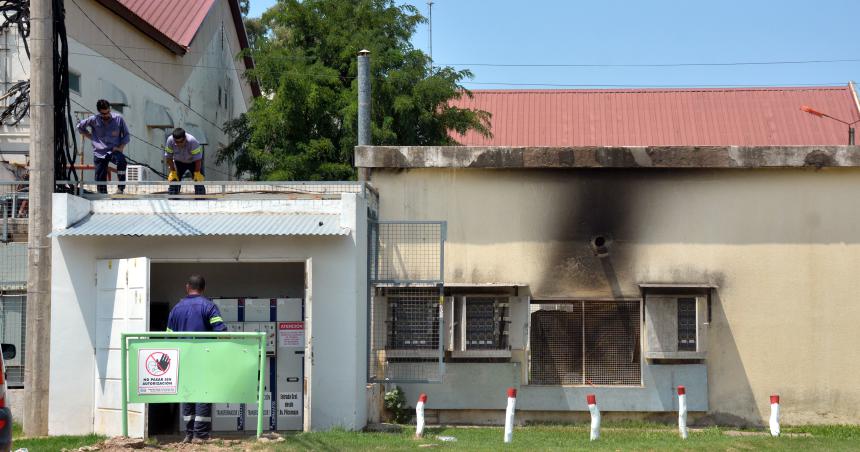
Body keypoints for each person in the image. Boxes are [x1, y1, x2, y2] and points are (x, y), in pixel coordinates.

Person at [166, 275, 225, 443]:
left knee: (187, 393)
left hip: (183, 359)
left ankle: (189, 433)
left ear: (187, 287)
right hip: (204, 358)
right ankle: (201, 435)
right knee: (203, 393)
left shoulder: (176, 309)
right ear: (203, 288)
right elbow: (220, 330)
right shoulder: (209, 306)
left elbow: (168, 338)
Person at [76, 99, 130, 194]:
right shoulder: (93, 119)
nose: (106, 115)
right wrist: (91, 136)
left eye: (108, 112)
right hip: (99, 152)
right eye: (103, 114)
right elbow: (80, 127)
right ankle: (102, 193)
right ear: (99, 112)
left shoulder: (118, 119)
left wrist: (120, 148)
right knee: (100, 175)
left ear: (110, 109)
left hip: (114, 150)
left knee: (122, 162)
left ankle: (121, 188)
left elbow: (126, 135)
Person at [164, 128, 205, 195]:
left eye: (181, 142)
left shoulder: (192, 141)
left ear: (185, 138)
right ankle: (173, 199)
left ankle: (200, 198)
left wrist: (197, 172)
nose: (179, 144)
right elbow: (169, 157)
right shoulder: (170, 140)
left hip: (193, 163)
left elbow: (198, 159)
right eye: (176, 142)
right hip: (178, 163)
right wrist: (173, 171)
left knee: (198, 182)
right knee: (174, 181)